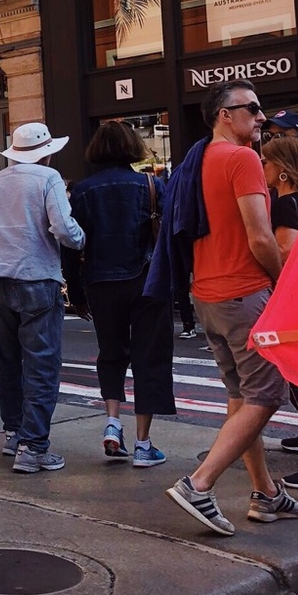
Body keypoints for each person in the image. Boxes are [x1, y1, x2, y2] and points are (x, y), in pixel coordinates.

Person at [146, 80, 298, 535]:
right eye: (250, 109)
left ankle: (266, 493)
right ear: (224, 115)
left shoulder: (196, 162)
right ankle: (199, 484)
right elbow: (260, 237)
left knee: (241, 397)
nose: (260, 118)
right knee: (266, 396)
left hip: (208, 297)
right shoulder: (241, 159)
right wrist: (282, 285)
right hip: (244, 294)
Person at [0, 123, 85, 473]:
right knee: (42, 366)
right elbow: (64, 228)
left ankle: (15, 434)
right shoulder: (48, 178)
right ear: (46, 151)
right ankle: (33, 446)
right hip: (37, 280)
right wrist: (80, 241)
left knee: (6, 363)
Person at [65, 121, 176, 467]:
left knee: (110, 354)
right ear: (132, 147)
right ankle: (143, 443)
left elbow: (70, 245)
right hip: (146, 281)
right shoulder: (151, 184)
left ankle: (113, 423)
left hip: (100, 283)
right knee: (149, 358)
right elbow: (168, 234)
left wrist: (76, 292)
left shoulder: (82, 190)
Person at [259, 136, 298, 483]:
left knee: (296, 374)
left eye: (267, 162)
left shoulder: (286, 205)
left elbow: (286, 253)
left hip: (294, 301)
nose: (263, 168)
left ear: (283, 173)